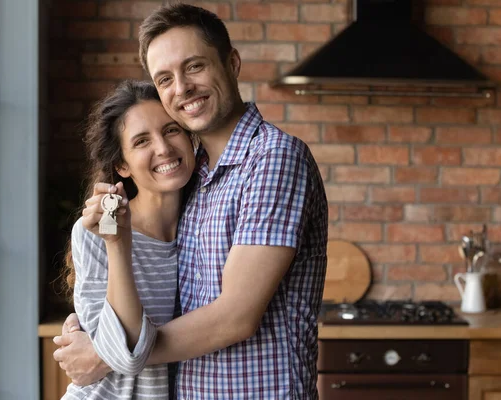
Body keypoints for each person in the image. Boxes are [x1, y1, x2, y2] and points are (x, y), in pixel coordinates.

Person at [53, 3, 328, 399]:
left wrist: (108, 353)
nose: (181, 88)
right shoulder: (195, 178)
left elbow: (235, 317)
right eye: (164, 78)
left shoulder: (272, 158)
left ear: (232, 63)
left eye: (194, 66)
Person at [60, 80, 196, 399]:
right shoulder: (94, 232)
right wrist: (118, 242)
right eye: (141, 141)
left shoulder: (207, 226)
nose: (163, 148)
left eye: (172, 130)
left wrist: (97, 353)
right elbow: (125, 355)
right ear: (122, 165)